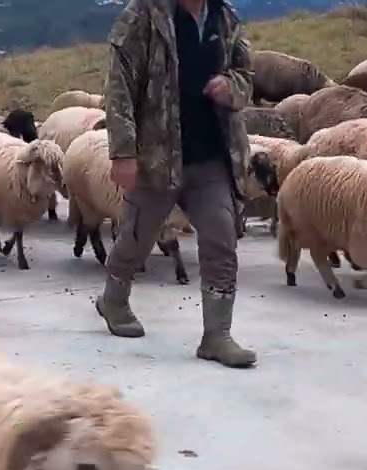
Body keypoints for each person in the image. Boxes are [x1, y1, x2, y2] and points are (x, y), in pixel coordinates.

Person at [99, 0, 258, 369]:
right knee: (138, 236)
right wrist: (122, 152)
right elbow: (119, 86)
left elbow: (246, 75)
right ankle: (114, 299)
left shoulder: (224, 16)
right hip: (158, 155)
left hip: (211, 153)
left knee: (222, 238)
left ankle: (217, 335)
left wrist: (231, 86)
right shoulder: (143, 16)